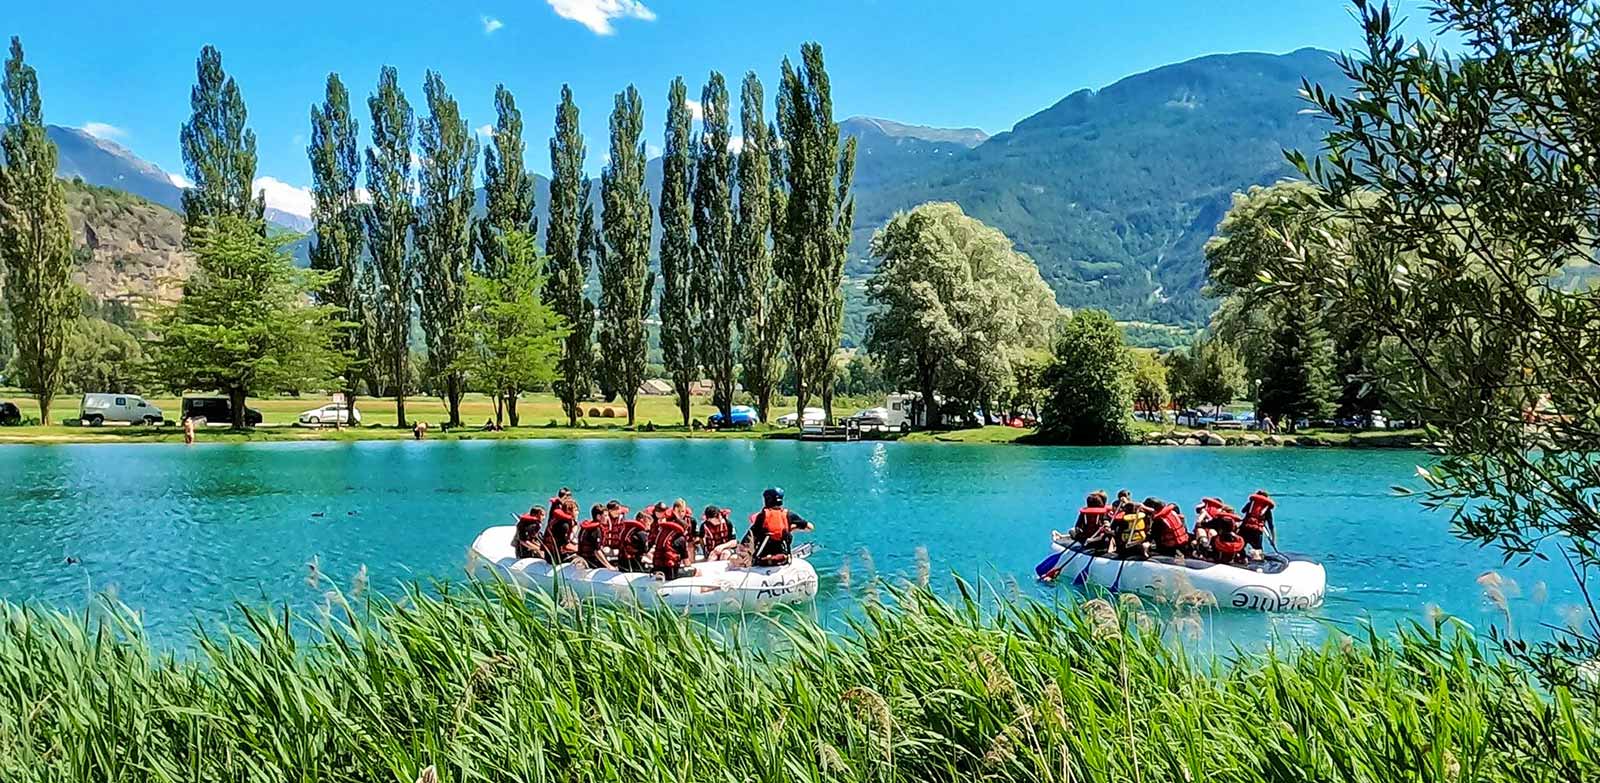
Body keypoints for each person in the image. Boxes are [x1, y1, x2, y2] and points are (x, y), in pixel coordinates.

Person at [743, 487, 813, 567]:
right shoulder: (788, 514)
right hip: (782, 559)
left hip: (762, 559)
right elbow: (810, 527)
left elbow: (751, 535)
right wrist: (790, 528)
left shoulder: (762, 516)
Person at [649, 506, 692, 580]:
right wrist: (690, 567)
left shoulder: (661, 534)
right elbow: (686, 562)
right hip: (670, 573)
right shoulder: (681, 539)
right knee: (697, 571)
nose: (686, 532)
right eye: (686, 530)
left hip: (656, 569)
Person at [574, 504, 615, 569]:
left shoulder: (586, 526)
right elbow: (597, 551)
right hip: (591, 561)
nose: (607, 518)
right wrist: (609, 566)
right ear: (598, 516)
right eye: (605, 515)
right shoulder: (596, 530)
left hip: (584, 557)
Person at [543, 495, 578, 563]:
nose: (577, 512)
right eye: (576, 510)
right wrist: (579, 549)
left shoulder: (558, 520)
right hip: (556, 558)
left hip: (550, 555)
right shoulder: (564, 525)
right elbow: (564, 547)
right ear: (568, 511)